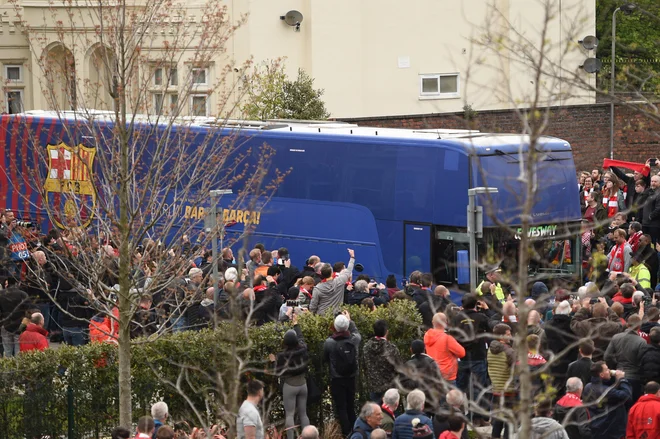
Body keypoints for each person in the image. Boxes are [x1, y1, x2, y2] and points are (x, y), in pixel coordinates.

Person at [452, 293, 490, 427]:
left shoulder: (456, 318)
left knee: (461, 387)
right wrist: (486, 310)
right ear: (476, 304)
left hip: (462, 357)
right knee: (478, 389)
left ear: (462, 305)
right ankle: (478, 418)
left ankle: (462, 417)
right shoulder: (481, 317)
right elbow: (491, 328)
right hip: (478, 356)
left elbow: (452, 336)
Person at [271, 313, 310, 439]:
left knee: (289, 414)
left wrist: (272, 361)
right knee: (303, 413)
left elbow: (277, 371)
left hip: (290, 385)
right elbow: (301, 338)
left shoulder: (282, 356)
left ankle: (291, 437)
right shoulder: (303, 349)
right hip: (303, 383)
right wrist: (296, 324)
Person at [324, 311, 361, 437]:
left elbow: (324, 359)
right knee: (351, 406)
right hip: (351, 376)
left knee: (341, 407)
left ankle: (347, 433)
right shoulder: (354, 339)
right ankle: (356, 431)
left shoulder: (329, 342)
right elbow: (357, 333)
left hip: (337, 378)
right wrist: (350, 321)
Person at [604, 314, 647, 403]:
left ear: (627, 324)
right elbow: (642, 362)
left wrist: (615, 366)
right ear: (639, 326)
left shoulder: (616, 337)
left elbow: (607, 356)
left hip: (618, 374)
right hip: (634, 378)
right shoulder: (642, 342)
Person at [582, 362, 631, 439]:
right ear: (601, 374)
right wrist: (622, 380)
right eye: (607, 369)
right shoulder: (605, 391)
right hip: (610, 430)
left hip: (596, 427)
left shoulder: (588, 387)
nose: (609, 371)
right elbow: (626, 395)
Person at [487, 323, 515, 439]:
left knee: (498, 418)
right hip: (509, 389)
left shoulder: (490, 349)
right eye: (508, 334)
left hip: (496, 388)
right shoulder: (509, 351)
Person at [363, 320, 400, 404]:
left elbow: (364, 366)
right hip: (389, 387)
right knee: (389, 412)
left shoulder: (366, 347)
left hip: (374, 386)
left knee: (376, 413)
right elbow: (398, 368)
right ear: (387, 332)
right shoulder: (391, 348)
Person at [309, 249, 355, 315]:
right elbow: (349, 270)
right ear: (331, 272)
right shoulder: (340, 281)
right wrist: (352, 257)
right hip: (336, 315)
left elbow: (313, 306)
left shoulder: (317, 288)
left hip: (322, 317)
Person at [424, 312, 465, 386]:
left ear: (433, 322)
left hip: (433, 373)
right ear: (445, 323)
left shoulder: (427, 335)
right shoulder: (447, 338)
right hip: (447, 375)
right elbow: (462, 353)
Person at [0, 275, 30, 357]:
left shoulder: (1, 294)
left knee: (7, 351)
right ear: (18, 283)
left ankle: (8, 368)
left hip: (6, 324)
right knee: (19, 351)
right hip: (20, 325)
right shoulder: (23, 294)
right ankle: (17, 367)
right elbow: (29, 311)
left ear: (7, 283)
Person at [642, 175, 660, 244]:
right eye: (652, 181)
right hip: (645, 223)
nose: (653, 183)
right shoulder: (648, 192)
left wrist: (650, 216)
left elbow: (658, 208)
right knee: (645, 244)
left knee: (654, 244)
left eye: (655, 181)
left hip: (654, 224)